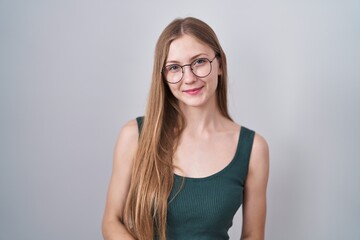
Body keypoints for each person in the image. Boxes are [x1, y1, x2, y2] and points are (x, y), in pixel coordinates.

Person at [102, 17, 269, 240]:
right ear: (163, 76)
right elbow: (112, 221)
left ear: (219, 65)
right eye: (174, 67)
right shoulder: (134, 136)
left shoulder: (253, 148)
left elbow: (252, 236)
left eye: (199, 61)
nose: (189, 78)